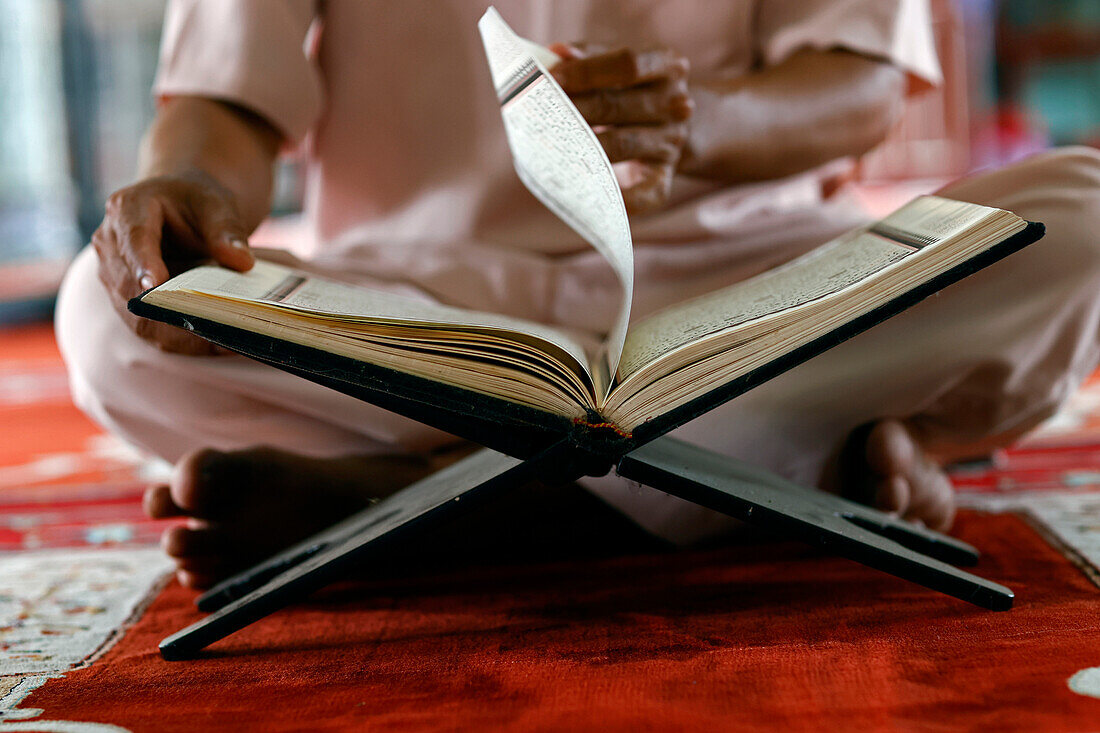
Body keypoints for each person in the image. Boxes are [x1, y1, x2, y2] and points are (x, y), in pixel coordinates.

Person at [56, 0, 1100, 588]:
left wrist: (705, 126)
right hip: (411, 305)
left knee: (1078, 217)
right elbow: (223, 101)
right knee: (104, 316)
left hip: (746, 284)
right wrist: (186, 192)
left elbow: (860, 79)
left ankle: (434, 509)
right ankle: (775, 464)